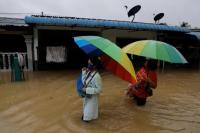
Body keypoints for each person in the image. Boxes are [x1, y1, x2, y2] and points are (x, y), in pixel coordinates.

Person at [81, 57, 102, 122]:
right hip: (86, 97)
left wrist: (87, 90)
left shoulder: (97, 76)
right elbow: (84, 81)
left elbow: (99, 89)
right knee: (85, 116)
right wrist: (84, 72)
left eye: (90, 63)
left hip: (92, 99)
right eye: (88, 63)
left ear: (94, 65)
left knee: (86, 118)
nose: (88, 65)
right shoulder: (88, 72)